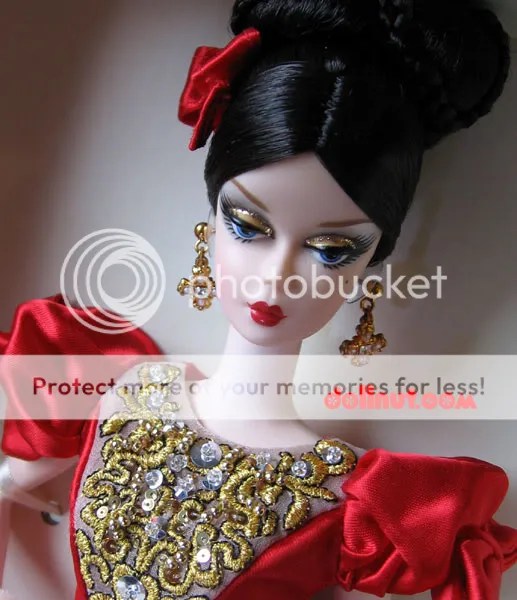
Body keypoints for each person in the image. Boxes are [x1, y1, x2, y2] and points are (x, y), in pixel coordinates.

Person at [1, 0, 516, 598]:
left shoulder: (353, 504)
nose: (275, 279)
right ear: (212, 220)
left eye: (332, 250)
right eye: (248, 226)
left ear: (370, 265)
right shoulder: (116, 390)